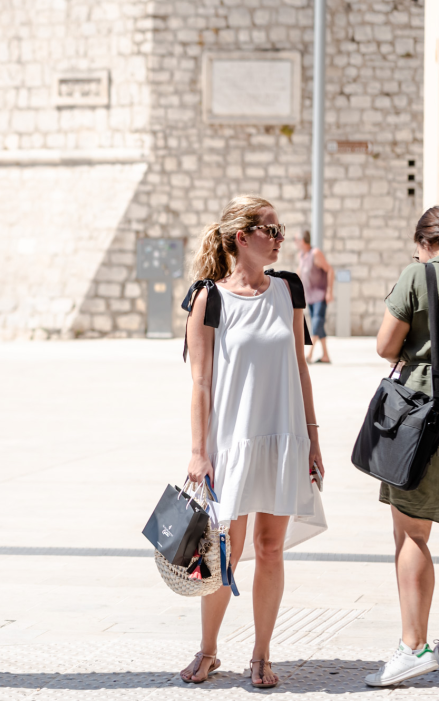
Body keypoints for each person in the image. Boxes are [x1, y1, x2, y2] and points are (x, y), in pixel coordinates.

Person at [179, 196, 326, 689]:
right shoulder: (209, 299)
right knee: (225, 552)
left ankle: (261, 654)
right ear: (242, 238)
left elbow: (300, 367)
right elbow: (200, 383)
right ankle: (208, 650)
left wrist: (313, 438)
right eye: (271, 230)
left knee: (270, 548)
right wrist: (198, 451)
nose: (280, 238)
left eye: (281, 229)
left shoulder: (289, 289)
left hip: (283, 436)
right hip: (232, 442)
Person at [368, 207, 439, 686]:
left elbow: (385, 346)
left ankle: (414, 646)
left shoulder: (418, 275)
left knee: (412, 533)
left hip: (424, 415)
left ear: (423, 242)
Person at [296, 230, 334, 363]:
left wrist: (329, 291)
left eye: (296, 240)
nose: (295, 243)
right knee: (319, 325)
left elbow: (330, 270)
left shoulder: (315, 253)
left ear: (302, 241)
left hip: (320, 296)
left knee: (317, 322)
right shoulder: (302, 255)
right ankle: (325, 356)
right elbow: (299, 273)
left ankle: (309, 354)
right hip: (309, 297)